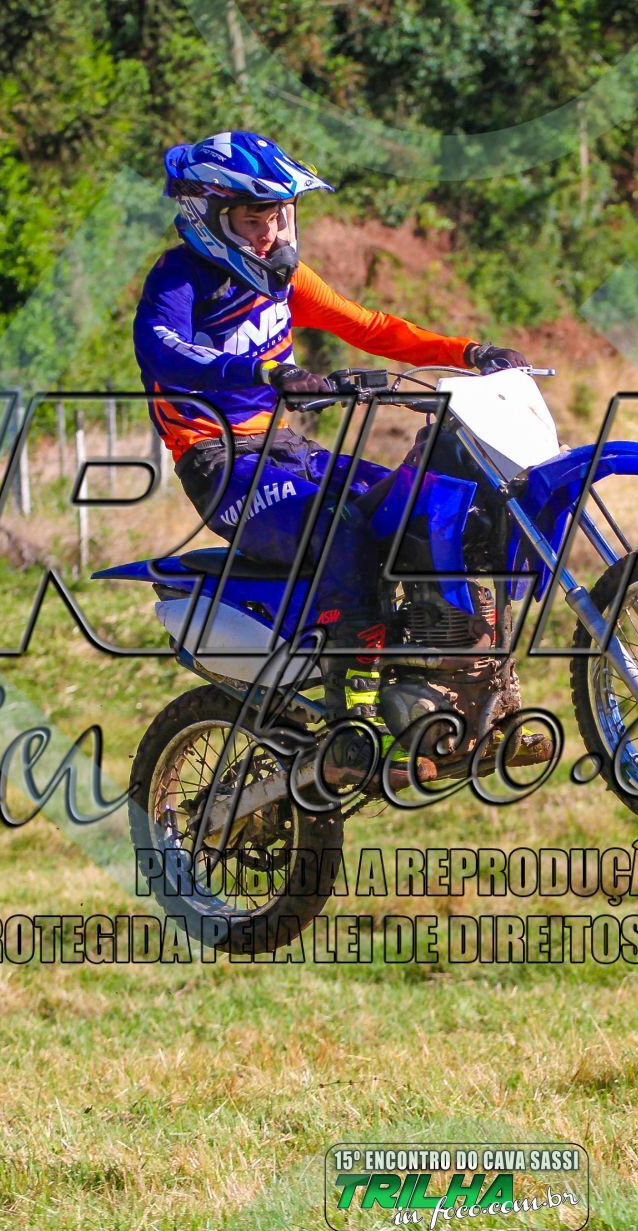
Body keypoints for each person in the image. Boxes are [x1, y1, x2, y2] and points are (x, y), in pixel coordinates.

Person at [133, 130, 531, 789]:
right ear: (208, 217)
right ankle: (353, 726)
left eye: (278, 216)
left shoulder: (285, 279)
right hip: (220, 465)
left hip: (288, 450)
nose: (269, 233)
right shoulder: (178, 279)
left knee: (426, 506)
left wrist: (467, 352)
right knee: (341, 529)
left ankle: (464, 691)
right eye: (252, 219)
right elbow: (164, 350)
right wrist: (263, 371)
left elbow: (369, 326)